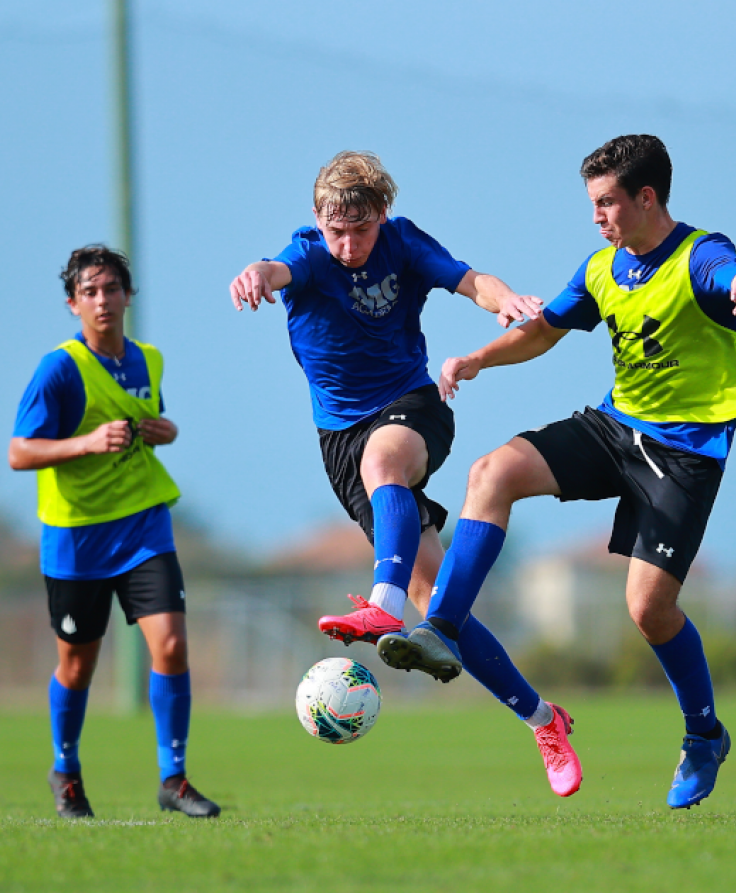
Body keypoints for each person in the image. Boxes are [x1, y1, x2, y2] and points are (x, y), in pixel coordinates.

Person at [376, 134, 736, 809]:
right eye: (592, 203)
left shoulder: (702, 254)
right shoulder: (603, 267)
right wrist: (477, 358)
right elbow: (542, 329)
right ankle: (441, 627)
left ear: (646, 198)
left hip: (685, 454)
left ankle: (705, 734)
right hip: (615, 428)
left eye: (606, 203)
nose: (596, 216)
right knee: (492, 471)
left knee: (649, 609)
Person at [229, 152, 575, 794]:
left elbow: (473, 281)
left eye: (360, 231)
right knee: (439, 603)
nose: (348, 244)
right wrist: (255, 273)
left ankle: (380, 605)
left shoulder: (403, 241)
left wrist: (507, 303)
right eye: (337, 231)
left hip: (414, 408)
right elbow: (275, 268)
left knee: (383, 458)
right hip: (341, 442)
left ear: (381, 216)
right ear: (318, 219)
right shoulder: (308, 253)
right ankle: (545, 720)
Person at [10, 245, 218, 820]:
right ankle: (65, 770)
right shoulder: (58, 368)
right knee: (78, 663)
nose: (102, 300)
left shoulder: (149, 359)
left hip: (144, 525)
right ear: (73, 303)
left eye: (111, 288)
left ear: (129, 295)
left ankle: (174, 779)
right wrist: (84, 443)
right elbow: (18, 451)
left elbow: (149, 420)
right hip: (77, 538)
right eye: (90, 291)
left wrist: (164, 431)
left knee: (172, 645)